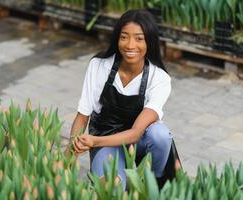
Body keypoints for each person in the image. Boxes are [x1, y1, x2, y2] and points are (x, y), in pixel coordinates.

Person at [67, 9, 177, 190]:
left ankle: (154, 181)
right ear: (117, 38)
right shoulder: (99, 66)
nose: (130, 45)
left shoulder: (159, 79)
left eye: (139, 39)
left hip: (139, 141)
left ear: (150, 41)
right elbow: (82, 115)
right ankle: (120, 180)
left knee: (160, 135)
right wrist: (69, 156)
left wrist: (93, 141)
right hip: (106, 138)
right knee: (111, 187)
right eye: (124, 37)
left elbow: (135, 133)